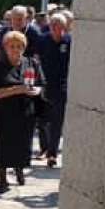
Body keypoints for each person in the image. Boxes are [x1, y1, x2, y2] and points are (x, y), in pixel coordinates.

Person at [0, 31, 45, 192]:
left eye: (19, 46)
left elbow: (41, 84)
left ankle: (19, 170)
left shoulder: (32, 63)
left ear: (24, 48)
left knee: (22, 145)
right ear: (5, 48)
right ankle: (2, 179)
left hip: (25, 112)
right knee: (2, 146)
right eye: (11, 46)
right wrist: (18, 89)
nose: (15, 49)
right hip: (3, 114)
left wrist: (37, 91)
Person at [36, 13, 71, 167]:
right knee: (43, 120)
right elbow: (36, 60)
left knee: (57, 121)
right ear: (51, 27)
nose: (59, 31)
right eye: (55, 27)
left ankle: (52, 154)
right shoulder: (43, 40)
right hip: (44, 85)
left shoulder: (69, 41)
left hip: (61, 86)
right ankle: (44, 148)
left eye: (62, 27)